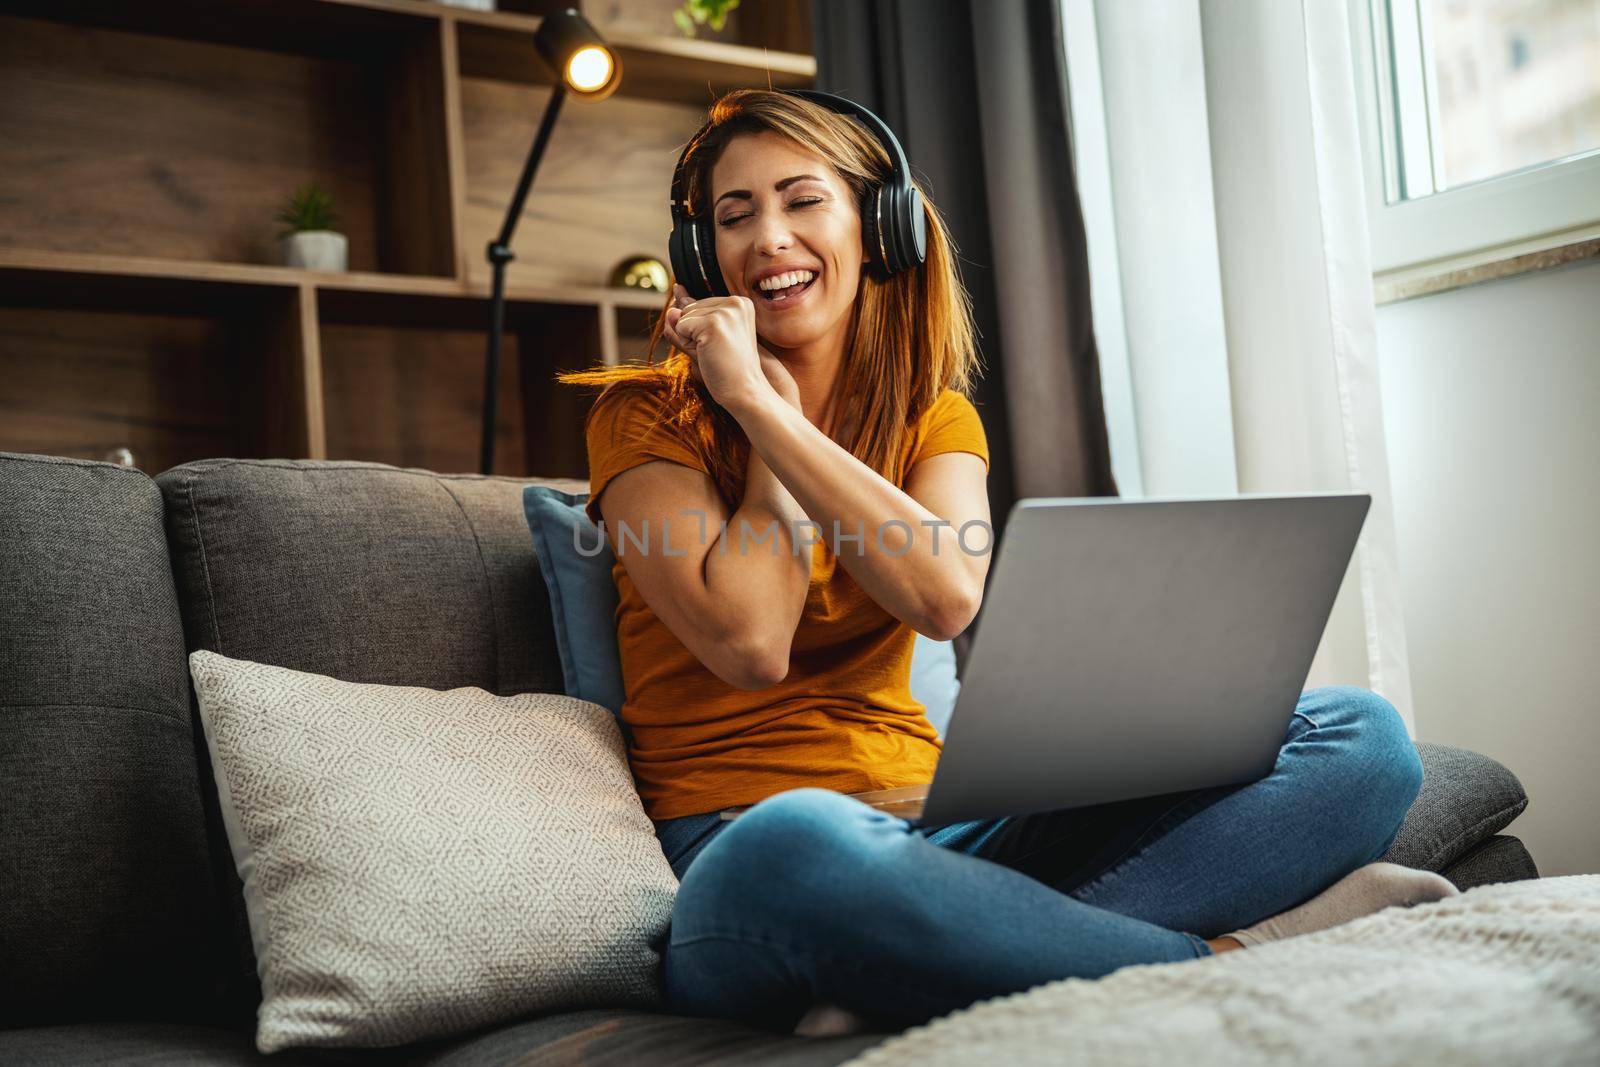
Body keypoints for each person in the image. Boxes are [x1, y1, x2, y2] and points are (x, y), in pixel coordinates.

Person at [555, 89, 1455, 1038]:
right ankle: (1222, 961)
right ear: (702, 258)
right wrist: (756, 410)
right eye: (734, 217)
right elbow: (750, 642)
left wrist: (776, 420)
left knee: (1361, 736)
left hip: (946, 833)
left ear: (881, 227)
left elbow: (943, 595)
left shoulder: (937, 420)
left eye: (801, 200)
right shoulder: (647, 416)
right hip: (749, 854)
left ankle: (946, 961)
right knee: (800, 840)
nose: (769, 236)